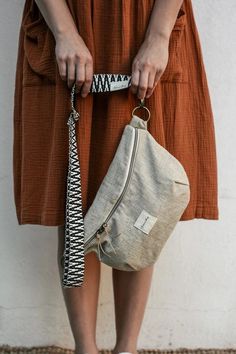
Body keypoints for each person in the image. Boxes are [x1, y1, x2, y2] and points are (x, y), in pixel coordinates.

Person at [13, 1, 219, 354]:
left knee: (145, 192)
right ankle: (86, 349)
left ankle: (128, 349)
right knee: (75, 189)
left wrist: (158, 35)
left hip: (146, 17)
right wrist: (63, 31)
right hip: (68, 14)